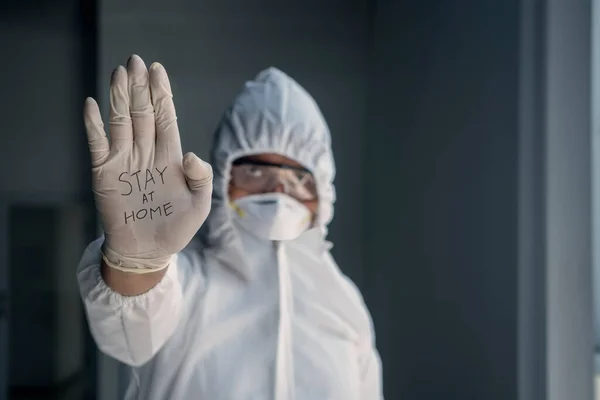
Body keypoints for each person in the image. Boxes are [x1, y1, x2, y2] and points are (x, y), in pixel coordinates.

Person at [78, 54, 383, 399]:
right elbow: (128, 336)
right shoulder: (187, 283)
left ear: (323, 191)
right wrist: (138, 263)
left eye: (299, 177)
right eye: (255, 170)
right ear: (224, 177)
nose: (279, 190)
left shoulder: (344, 305)